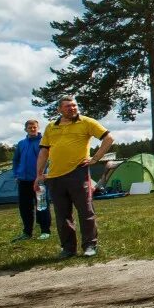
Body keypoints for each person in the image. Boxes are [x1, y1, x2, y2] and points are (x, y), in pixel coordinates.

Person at [34, 96, 114, 259]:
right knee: (62, 214)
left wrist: (95, 158)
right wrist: (39, 174)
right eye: (68, 106)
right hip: (55, 176)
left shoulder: (86, 122)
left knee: (85, 211)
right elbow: (43, 151)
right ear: (59, 110)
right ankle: (68, 249)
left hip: (78, 172)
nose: (72, 108)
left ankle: (90, 245)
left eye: (74, 105)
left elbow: (109, 138)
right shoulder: (51, 127)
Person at [11, 118, 50, 242]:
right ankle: (27, 232)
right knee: (25, 207)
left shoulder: (44, 142)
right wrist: (16, 174)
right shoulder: (21, 143)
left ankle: (45, 231)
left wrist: (44, 175)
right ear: (25, 129)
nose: (33, 129)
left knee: (42, 205)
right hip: (23, 180)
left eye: (35, 127)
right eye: (30, 128)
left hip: (39, 179)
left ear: (38, 128)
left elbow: (49, 159)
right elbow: (16, 160)